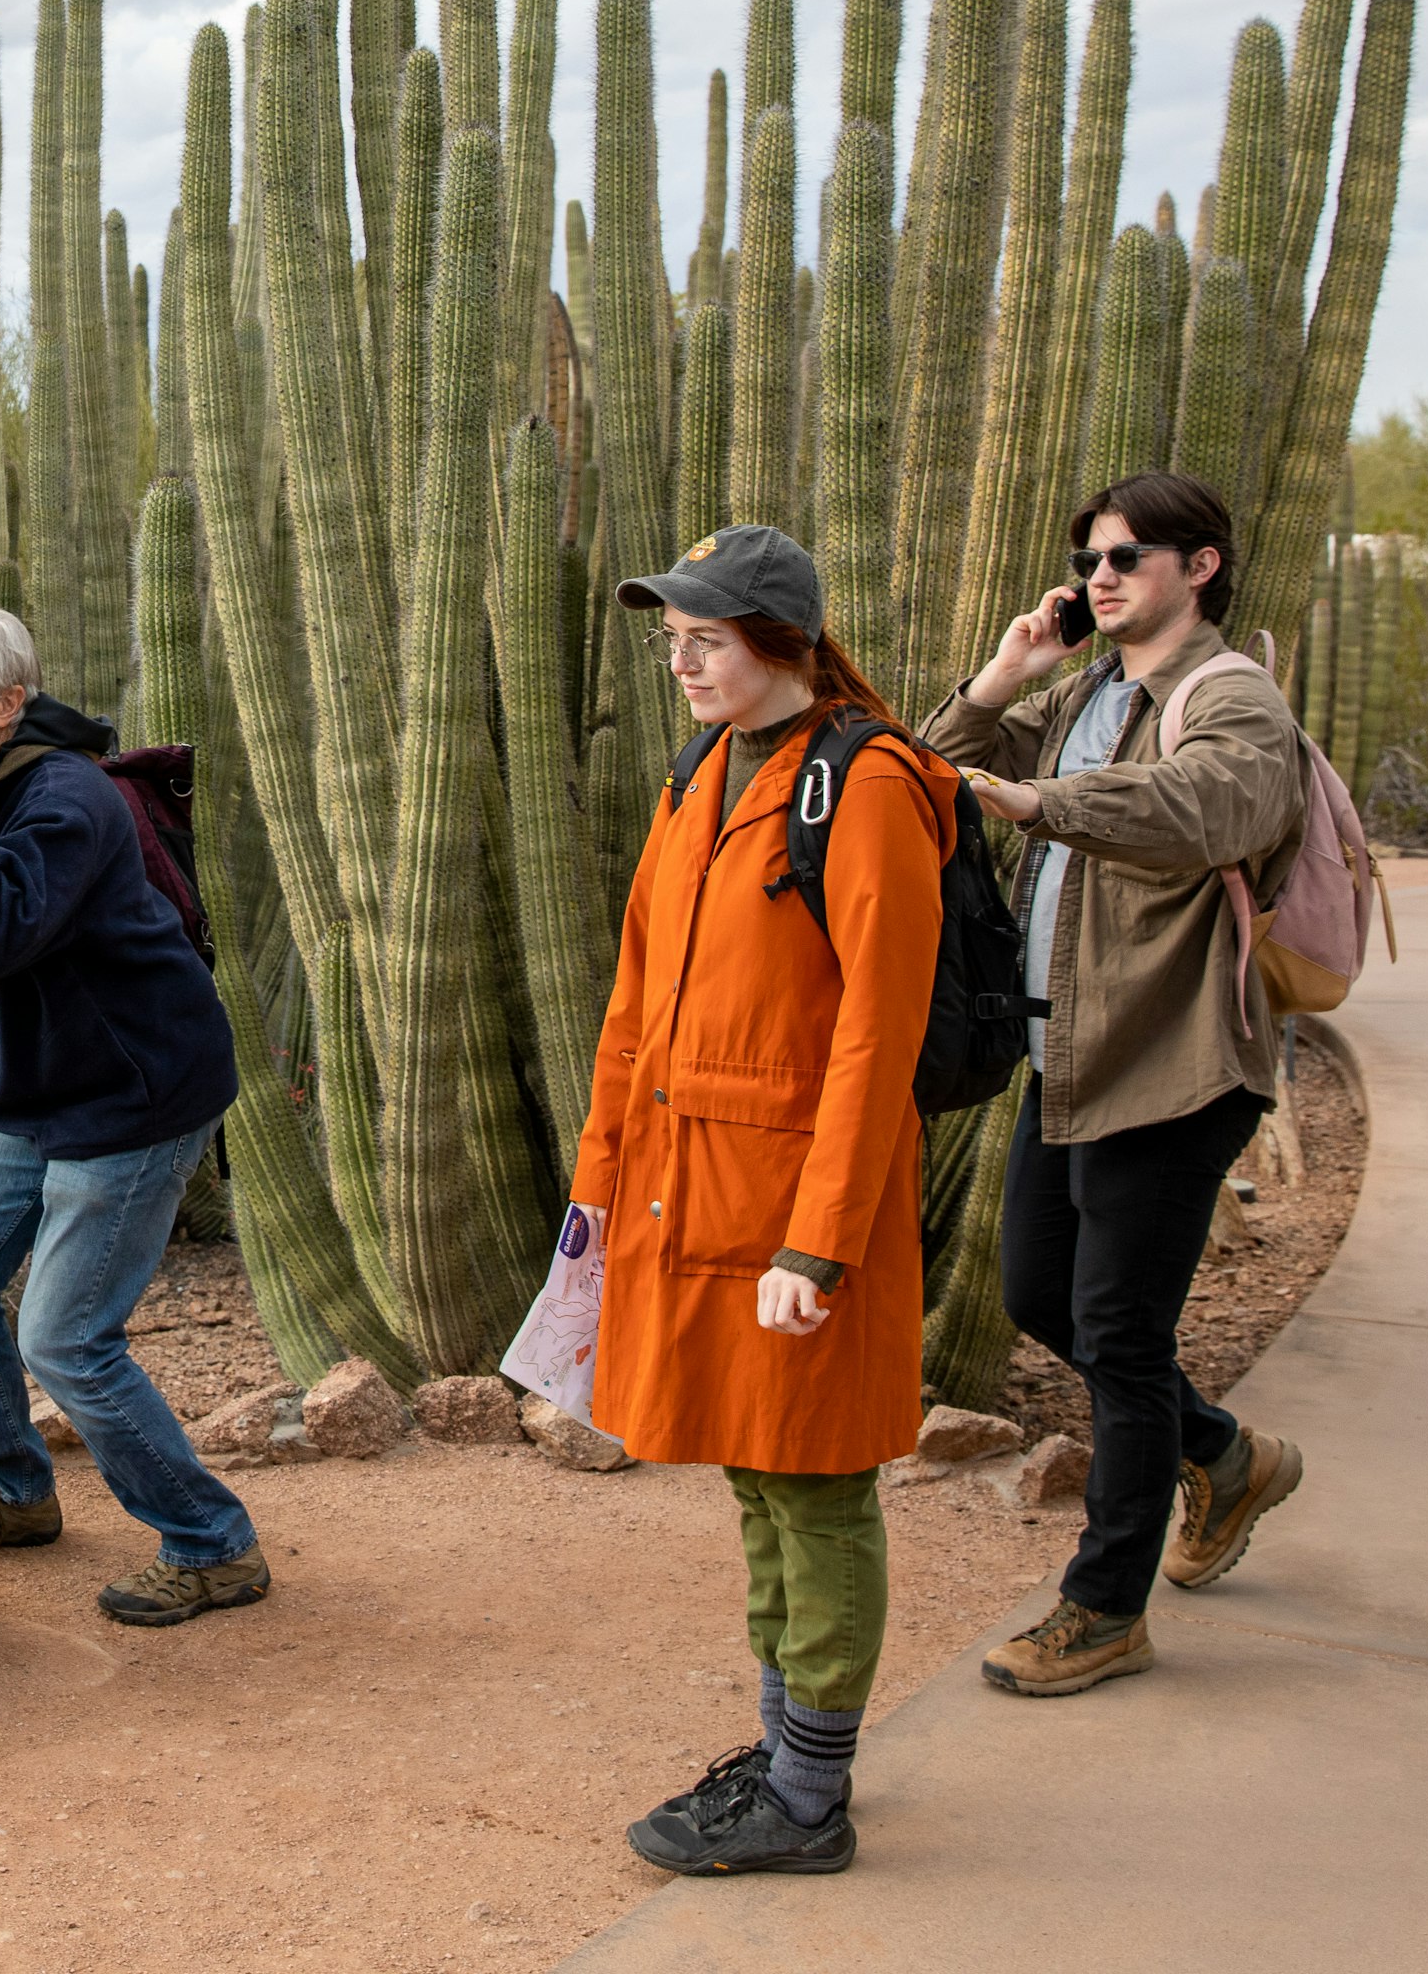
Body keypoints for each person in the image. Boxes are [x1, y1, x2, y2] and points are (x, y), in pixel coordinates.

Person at [575, 524, 953, 1878]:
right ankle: (788, 1753)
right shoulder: (702, 775)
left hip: (793, 1215)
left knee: (817, 1486)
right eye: (670, 637)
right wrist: (598, 1186)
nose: (681, 661)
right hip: (688, 1200)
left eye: (707, 639)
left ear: (782, 646)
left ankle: (807, 1796)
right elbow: (636, 997)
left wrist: (821, 1240)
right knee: (757, 1475)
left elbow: (877, 1035)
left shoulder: (868, 787)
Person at [923, 471, 1313, 1698]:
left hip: (1178, 1059)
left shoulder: (1228, 697)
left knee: (1122, 1336)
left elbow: (1212, 805)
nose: (1101, 574)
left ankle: (1103, 1608)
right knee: (1044, 1291)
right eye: (1090, 555)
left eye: (1129, 554)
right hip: (1076, 1057)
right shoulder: (1097, 688)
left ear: (1199, 566)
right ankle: (1228, 1454)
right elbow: (940, 772)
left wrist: (1041, 800)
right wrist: (1006, 677)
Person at [0, 600, 265, 1629]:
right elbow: (17, 940)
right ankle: (13, 1491)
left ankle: (212, 1544)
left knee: (66, 1338)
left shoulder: (66, 795)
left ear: (9, 702)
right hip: (44, 1088)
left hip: (135, 1099)